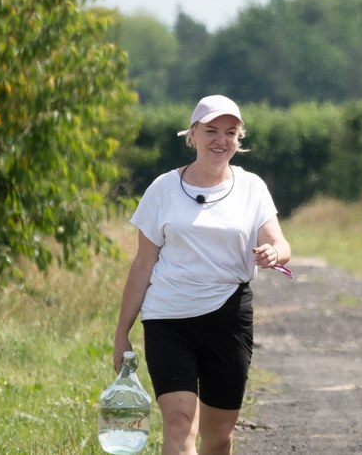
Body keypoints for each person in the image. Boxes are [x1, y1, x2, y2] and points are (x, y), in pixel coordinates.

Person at [112, 94, 291, 455]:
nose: (220, 140)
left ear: (239, 140)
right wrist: (121, 333)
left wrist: (273, 252)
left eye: (230, 132)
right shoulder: (163, 189)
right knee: (178, 426)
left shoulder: (251, 187)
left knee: (219, 437)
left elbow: (280, 242)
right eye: (211, 130)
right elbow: (143, 263)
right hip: (168, 318)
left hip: (228, 318)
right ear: (192, 135)